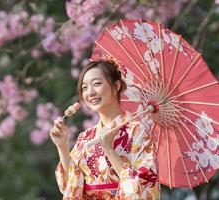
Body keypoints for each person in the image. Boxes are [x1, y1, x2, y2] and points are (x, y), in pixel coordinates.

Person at [49, 60, 160, 199]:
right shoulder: (85, 137)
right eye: (84, 88)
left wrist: (109, 149)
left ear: (116, 86)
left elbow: (144, 188)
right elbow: (69, 186)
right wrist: (62, 147)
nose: (90, 92)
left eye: (97, 84)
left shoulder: (137, 132)